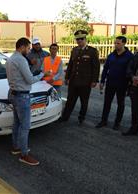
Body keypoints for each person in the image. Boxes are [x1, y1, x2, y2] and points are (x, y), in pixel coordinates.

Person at [6, 37, 51, 166]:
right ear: (22, 46)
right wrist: (43, 74)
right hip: (21, 96)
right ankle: (24, 154)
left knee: (17, 123)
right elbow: (30, 80)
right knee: (25, 126)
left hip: (13, 93)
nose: (29, 50)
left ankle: (16, 147)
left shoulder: (11, 58)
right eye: (28, 47)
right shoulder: (20, 59)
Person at [61, 30, 100, 124]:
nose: (79, 41)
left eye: (81, 39)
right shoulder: (74, 50)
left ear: (85, 39)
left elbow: (96, 67)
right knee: (70, 100)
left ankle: (81, 119)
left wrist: (94, 80)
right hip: (74, 81)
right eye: (77, 39)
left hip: (85, 82)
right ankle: (65, 117)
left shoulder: (92, 51)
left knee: (84, 102)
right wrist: (67, 78)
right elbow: (70, 65)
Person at [96, 36, 133, 130]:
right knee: (107, 103)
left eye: (118, 43)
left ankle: (117, 123)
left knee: (121, 104)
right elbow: (105, 68)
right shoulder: (111, 55)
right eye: (115, 43)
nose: (116, 45)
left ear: (124, 43)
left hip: (122, 84)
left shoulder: (130, 56)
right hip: (110, 83)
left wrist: (129, 85)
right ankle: (104, 120)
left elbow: (131, 71)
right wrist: (102, 81)